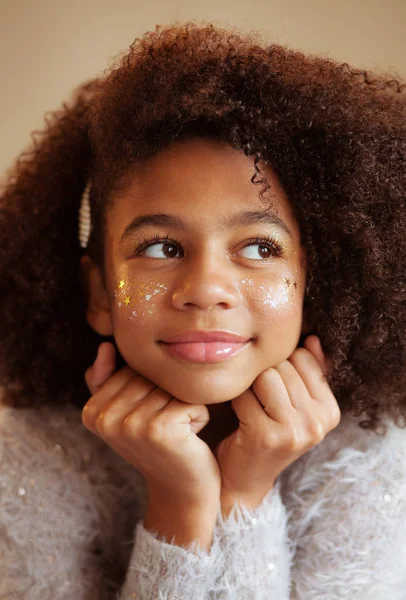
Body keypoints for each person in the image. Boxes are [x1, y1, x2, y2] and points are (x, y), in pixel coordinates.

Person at [0, 20, 405, 600]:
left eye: (260, 248)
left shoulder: (373, 461)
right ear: (99, 295)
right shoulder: (28, 458)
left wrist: (244, 498)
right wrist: (180, 505)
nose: (207, 289)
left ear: (315, 290)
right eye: (161, 248)